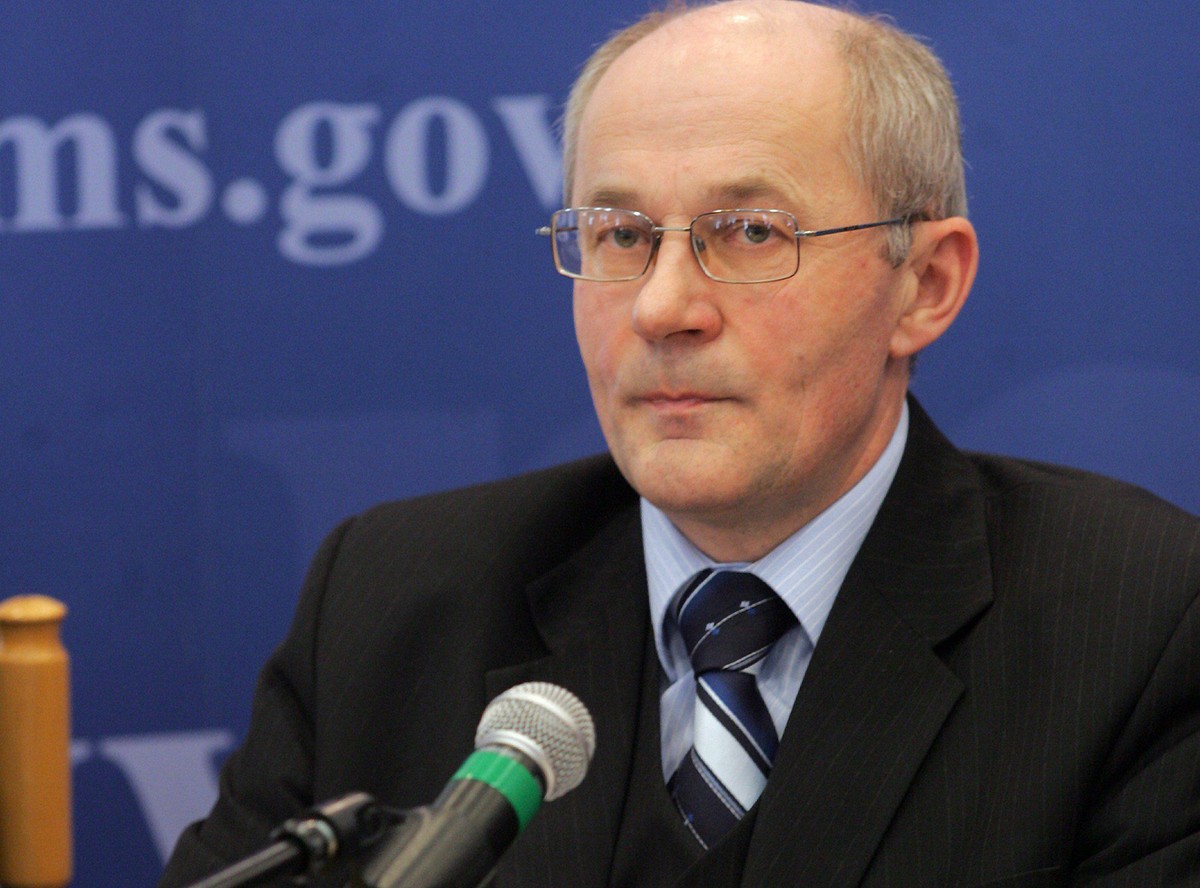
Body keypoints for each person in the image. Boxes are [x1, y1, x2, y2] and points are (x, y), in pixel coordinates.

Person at [160, 2, 1200, 886]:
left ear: (924, 286)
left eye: (750, 234)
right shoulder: (389, 605)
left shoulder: (1140, 627)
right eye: (620, 235)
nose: (661, 308)